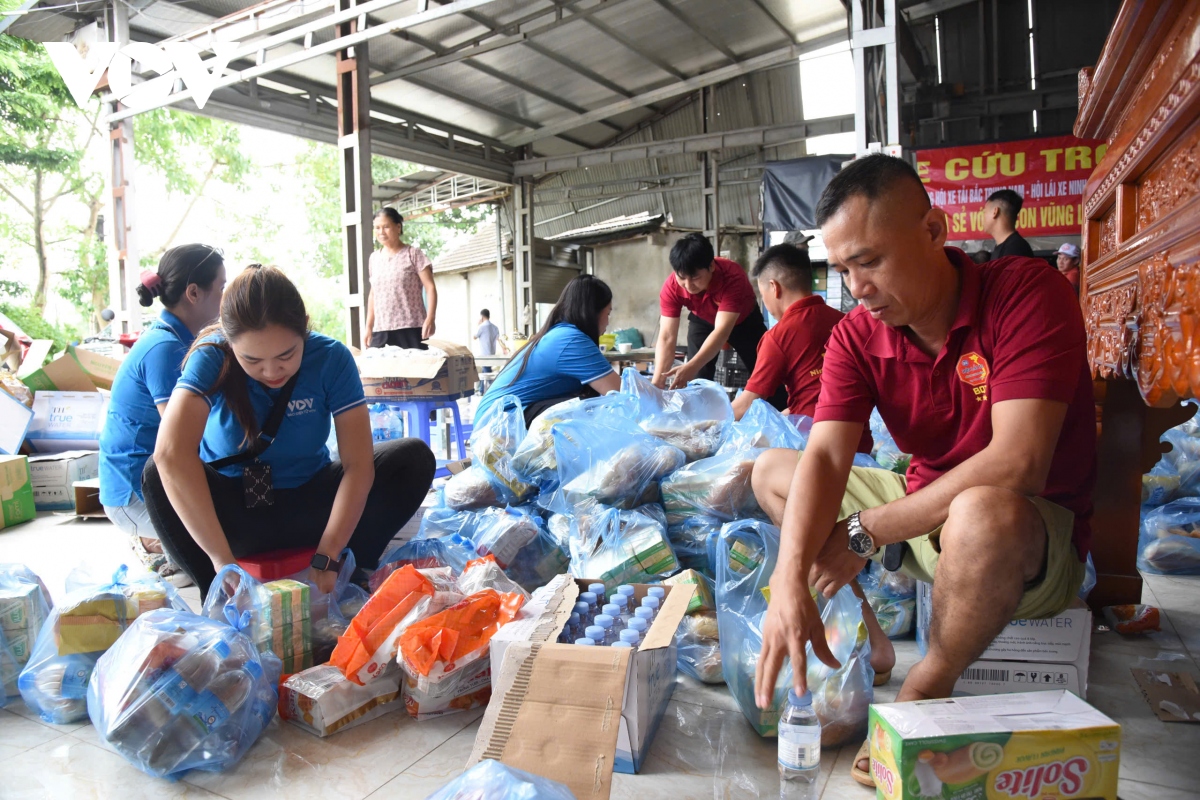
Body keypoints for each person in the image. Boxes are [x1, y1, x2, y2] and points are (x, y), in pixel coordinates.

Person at [749, 155, 1095, 788]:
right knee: (773, 469)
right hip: (920, 510)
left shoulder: (1025, 292)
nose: (858, 286)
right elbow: (825, 456)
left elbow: (1019, 461)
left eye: (871, 260)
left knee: (982, 509)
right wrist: (789, 579)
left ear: (935, 231)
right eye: (844, 268)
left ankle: (926, 686)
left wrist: (865, 531)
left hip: (1024, 539)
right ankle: (871, 639)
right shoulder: (858, 335)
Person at [142, 265, 436, 598]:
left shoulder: (330, 357)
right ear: (229, 342)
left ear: (304, 333)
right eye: (252, 360)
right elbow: (170, 453)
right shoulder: (211, 355)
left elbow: (358, 465)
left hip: (309, 503)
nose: (270, 370)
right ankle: (219, 588)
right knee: (156, 472)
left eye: (286, 355)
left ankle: (349, 571)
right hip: (236, 514)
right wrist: (221, 559)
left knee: (412, 458)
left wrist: (329, 552)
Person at [99, 244, 227, 587]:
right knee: (226, 534)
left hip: (135, 486)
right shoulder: (167, 349)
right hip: (133, 495)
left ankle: (161, 544)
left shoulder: (173, 338)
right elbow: (183, 443)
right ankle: (156, 544)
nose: (226, 300)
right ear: (194, 293)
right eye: (222, 289)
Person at [730, 244, 873, 455]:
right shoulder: (847, 323)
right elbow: (812, 394)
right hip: (859, 445)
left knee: (744, 465)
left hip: (814, 450)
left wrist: (708, 427)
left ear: (774, 287)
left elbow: (748, 402)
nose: (766, 305)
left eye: (763, 295)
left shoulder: (779, 336)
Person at [475, 274, 620, 427]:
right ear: (592, 312)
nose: (608, 321)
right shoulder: (571, 340)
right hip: (499, 429)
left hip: (496, 422)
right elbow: (622, 392)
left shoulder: (560, 334)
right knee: (592, 413)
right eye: (608, 313)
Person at [652, 233, 778, 401]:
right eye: (682, 278)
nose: (688, 286)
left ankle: (781, 413)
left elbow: (722, 331)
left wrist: (691, 365)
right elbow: (667, 336)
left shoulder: (732, 276)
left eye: (695, 277)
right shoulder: (671, 287)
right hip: (702, 319)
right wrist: (657, 381)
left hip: (743, 321)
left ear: (711, 266)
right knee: (697, 377)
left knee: (766, 369)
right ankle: (699, 420)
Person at [364, 208, 437, 350]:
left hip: (411, 327)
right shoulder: (374, 258)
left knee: (413, 371)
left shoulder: (413, 254)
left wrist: (430, 318)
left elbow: (430, 288)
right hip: (382, 328)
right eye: (377, 228)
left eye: (386, 227)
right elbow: (373, 294)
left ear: (398, 227)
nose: (381, 232)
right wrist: (368, 327)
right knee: (380, 371)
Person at [980, 189, 1034, 258]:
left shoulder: (1015, 249)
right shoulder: (1006, 246)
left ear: (995, 212)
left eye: (985, 212)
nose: (983, 217)